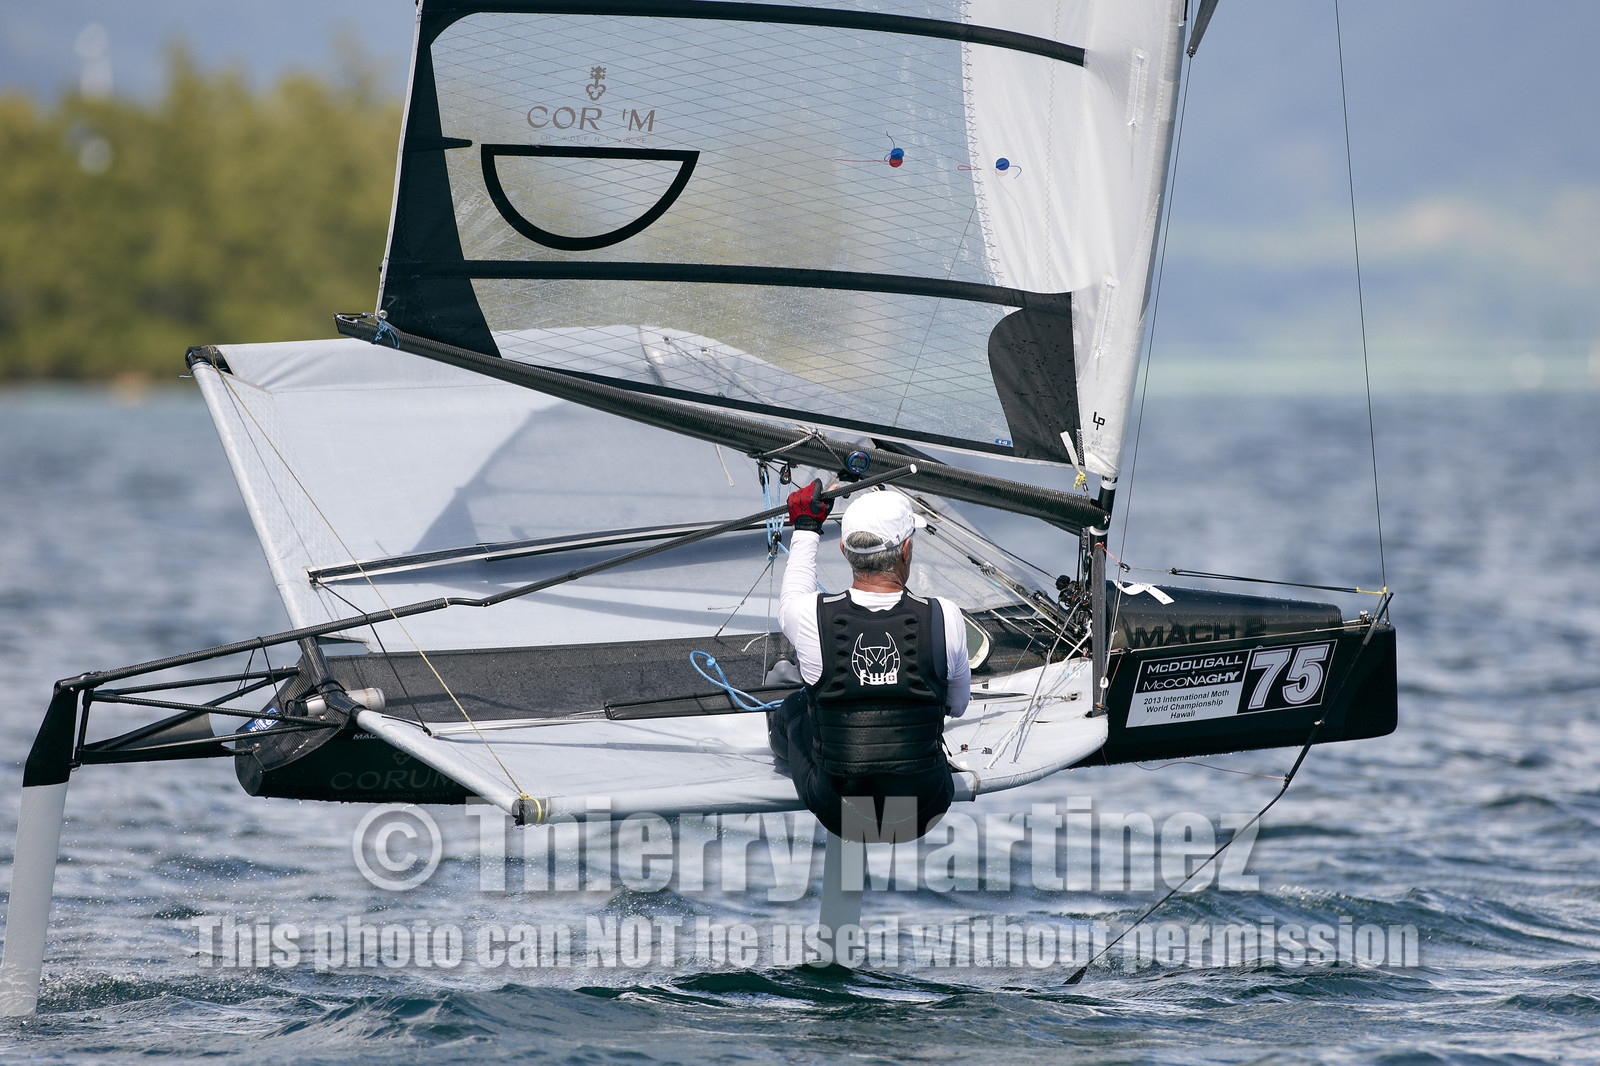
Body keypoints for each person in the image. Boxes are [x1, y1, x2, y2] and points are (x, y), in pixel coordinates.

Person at [768, 481, 970, 842]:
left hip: (842, 815)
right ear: (906, 549)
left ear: (844, 550)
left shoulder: (807, 616)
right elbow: (957, 706)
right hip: (924, 811)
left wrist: (807, 526)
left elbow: (794, 590)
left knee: (794, 707)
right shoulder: (946, 616)